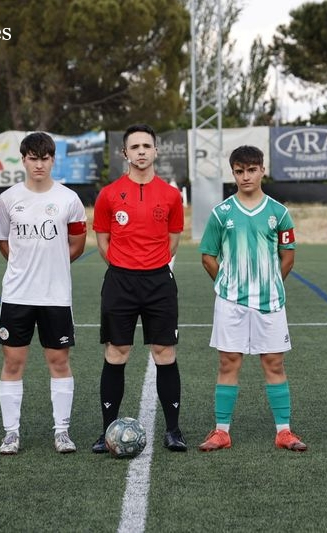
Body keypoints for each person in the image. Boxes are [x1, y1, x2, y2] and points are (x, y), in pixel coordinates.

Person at [197, 145, 308, 453]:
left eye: (251, 170)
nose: (245, 176)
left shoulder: (279, 212)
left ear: (262, 170)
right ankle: (221, 431)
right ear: (233, 173)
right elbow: (208, 256)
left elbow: (288, 257)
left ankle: (284, 431)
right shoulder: (222, 213)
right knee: (228, 361)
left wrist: (269, 284)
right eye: (239, 171)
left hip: (269, 303)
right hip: (231, 303)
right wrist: (227, 284)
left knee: (274, 362)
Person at [91, 123, 187, 453]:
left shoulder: (171, 195)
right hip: (120, 282)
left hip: (159, 281)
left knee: (165, 353)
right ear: (125, 153)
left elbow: (173, 238)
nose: (142, 151)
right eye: (135, 147)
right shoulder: (108, 194)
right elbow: (102, 238)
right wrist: (123, 264)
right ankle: (107, 432)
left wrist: (151, 263)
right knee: (117, 353)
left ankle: (173, 430)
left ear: (156, 151)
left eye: (147, 146)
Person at [0, 132, 87, 455]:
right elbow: (5, 244)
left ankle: (62, 431)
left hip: (56, 296)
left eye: (44, 158)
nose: (39, 164)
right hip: (17, 295)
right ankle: (11, 433)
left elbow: (76, 244)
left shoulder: (69, 200)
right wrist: (27, 265)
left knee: (59, 361)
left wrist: (53, 263)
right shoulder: (7, 200)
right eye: (32, 158)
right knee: (13, 361)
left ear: (53, 160)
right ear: (23, 160)